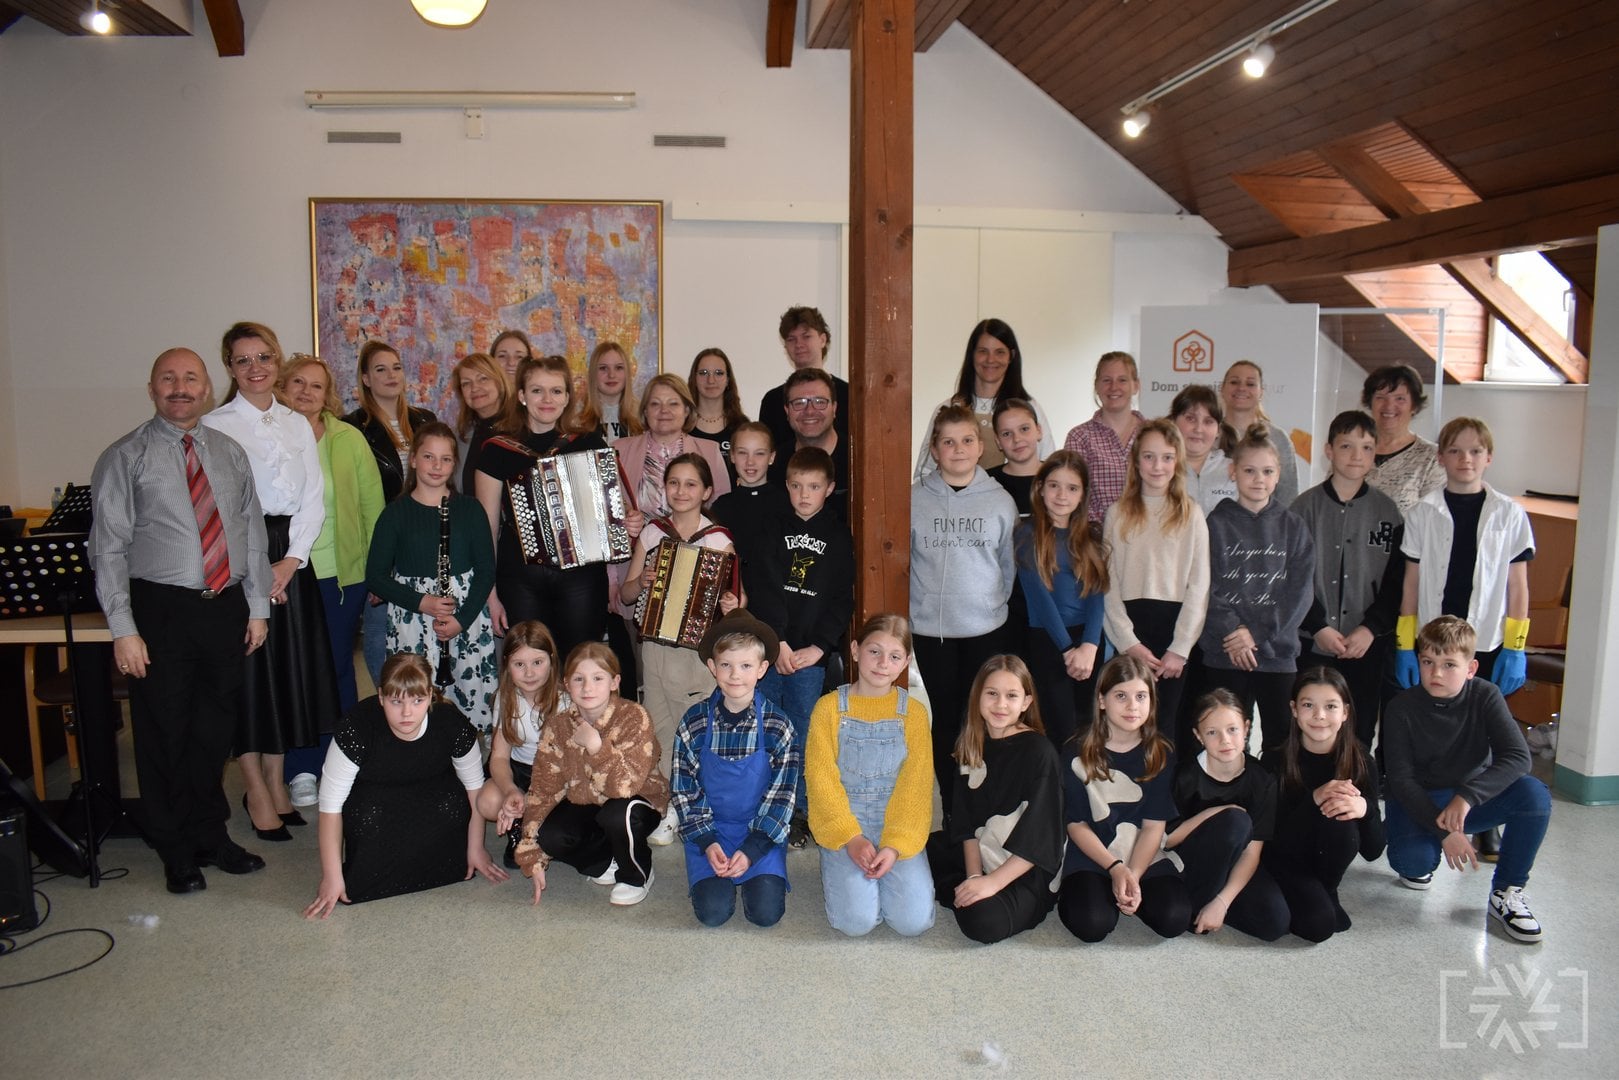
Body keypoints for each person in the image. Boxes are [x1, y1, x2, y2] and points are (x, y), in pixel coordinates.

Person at [90, 348, 272, 894]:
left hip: (224, 607)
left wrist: (257, 607)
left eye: (190, 378)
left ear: (206, 388)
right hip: (161, 611)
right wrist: (124, 629)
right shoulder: (124, 456)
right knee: (164, 732)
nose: (180, 387)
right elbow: (108, 549)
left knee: (213, 733)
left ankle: (210, 835)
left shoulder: (229, 453)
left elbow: (252, 533)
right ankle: (174, 847)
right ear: (151, 389)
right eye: (168, 379)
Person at [204, 321, 339, 841]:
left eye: (263, 357)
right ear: (230, 367)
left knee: (286, 670)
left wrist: (292, 561)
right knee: (251, 673)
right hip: (241, 555)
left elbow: (312, 498)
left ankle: (278, 781)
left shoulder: (296, 422)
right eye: (243, 360)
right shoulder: (215, 425)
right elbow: (219, 509)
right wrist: (259, 569)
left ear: (276, 359)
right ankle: (254, 786)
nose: (255, 368)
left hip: (290, 557)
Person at [1381, 617, 1550, 942]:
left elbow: (1518, 757)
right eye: (1427, 662)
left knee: (1533, 795)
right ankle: (1419, 839)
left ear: (1471, 668)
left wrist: (1468, 796)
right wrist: (1445, 832)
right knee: (1415, 864)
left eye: (1449, 665)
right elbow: (1401, 780)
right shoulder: (1400, 707)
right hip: (1420, 798)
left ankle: (1507, 891)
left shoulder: (1486, 695)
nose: (1436, 673)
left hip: (1467, 800)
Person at [302, 654, 507, 917]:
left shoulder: (450, 722)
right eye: (396, 701)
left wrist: (476, 848)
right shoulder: (357, 727)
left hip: (433, 796)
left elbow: (474, 787)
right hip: (375, 800)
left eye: (417, 701)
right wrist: (332, 876)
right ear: (381, 697)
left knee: (453, 805)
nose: (407, 713)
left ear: (430, 696)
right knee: (366, 816)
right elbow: (330, 806)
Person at [475, 355, 633, 662]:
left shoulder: (589, 444)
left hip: (582, 578)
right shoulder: (496, 450)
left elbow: (614, 517)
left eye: (556, 391)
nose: (547, 399)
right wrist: (490, 594)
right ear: (522, 395)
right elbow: (487, 529)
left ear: (567, 398)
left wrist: (628, 521)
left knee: (580, 662)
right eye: (537, 390)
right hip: (519, 576)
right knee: (530, 665)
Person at [277, 355, 384, 807]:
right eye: (297, 383)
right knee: (294, 670)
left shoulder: (348, 439)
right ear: (281, 388)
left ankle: (341, 763)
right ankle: (301, 767)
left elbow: (373, 508)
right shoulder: (273, 437)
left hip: (343, 575)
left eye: (316, 386)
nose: (306, 392)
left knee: (338, 668)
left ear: (328, 395)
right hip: (286, 574)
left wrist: (377, 571)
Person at [618, 453, 735, 845]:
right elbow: (626, 594)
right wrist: (642, 583)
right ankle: (668, 806)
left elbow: (736, 599)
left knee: (695, 727)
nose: (681, 491)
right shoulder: (653, 533)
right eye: (673, 483)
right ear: (664, 488)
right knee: (660, 726)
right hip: (653, 644)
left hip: (695, 651)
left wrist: (732, 604)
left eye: (690, 484)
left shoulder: (718, 540)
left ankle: (697, 806)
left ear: (706, 491)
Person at [910, 405, 1018, 819]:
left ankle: (985, 806)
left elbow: (1008, 566)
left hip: (986, 630)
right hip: (933, 632)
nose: (958, 449)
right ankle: (954, 809)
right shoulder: (915, 499)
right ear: (935, 449)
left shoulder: (1000, 501)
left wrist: (990, 605)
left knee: (986, 719)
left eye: (967, 440)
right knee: (946, 721)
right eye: (948, 442)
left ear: (981, 446)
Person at [744, 447, 853, 848]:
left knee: (803, 733)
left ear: (829, 488)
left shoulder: (839, 536)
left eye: (813, 486)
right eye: (796, 486)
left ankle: (801, 810)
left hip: (809, 657)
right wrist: (778, 641)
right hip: (771, 652)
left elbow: (841, 598)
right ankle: (766, 805)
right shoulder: (770, 528)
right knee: (766, 729)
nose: (804, 495)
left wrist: (821, 647)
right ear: (786, 485)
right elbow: (762, 587)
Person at [805, 614, 935, 938]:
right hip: (845, 827)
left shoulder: (915, 714)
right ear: (854, 650)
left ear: (906, 662)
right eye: (874, 651)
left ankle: (890, 872)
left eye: (894, 656)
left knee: (913, 923)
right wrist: (850, 837)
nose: (882, 664)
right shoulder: (828, 709)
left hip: (897, 824)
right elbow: (821, 781)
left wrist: (895, 846)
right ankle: (842, 868)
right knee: (855, 923)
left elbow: (916, 787)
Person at [514, 643, 670, 908]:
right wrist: (531, 850)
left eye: (598, 678)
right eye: (579, 679)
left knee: (617, 814)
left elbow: (624, 787)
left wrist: (596, 747)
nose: (588, 688)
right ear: (566, 684)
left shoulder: (634, 716)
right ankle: (605, 861)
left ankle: (636, 875)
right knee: (551, 835)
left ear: (614, 682)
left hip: (636, 802)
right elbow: (543, 788)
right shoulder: (558, 726)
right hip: (589, 802)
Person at [365, 423, 497, 732]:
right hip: (413, 620)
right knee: (417, 696)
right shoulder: (395, 513)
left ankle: (470, 751)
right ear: (413, 459)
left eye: (445, 459)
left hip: (464, 616)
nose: (437, 466)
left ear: (454, 464)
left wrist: (461, 620)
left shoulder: (470, 509)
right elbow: (375, 576)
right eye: (428, 457)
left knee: (467, 695)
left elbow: (486, 570)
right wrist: (421, 601)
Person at [672, 611, 799, 928]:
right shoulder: (694, 721)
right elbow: (683, 788)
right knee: (713, 914)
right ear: (712, 667)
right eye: (726, 665)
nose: (735, 675)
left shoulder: (778, 725)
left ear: (762, 669)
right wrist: (707, 841)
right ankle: (712, 869)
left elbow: (783, 795)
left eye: (745, 666)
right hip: (710, 832)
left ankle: (759, 869)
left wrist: (754, 849)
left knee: (765, 915)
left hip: (760, 833)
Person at [1195, 422, 1315, 756]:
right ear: (1233, 472)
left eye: (1267, 471)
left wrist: (1256, 634)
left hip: (1276, 655)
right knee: (1227, 741)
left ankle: (1275, 792)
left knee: (1281, 742)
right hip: (1225, 654)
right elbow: (1204, 586)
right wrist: (1233, 632)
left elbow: (1300, 593)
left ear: (1278, 476)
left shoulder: (1294, 527)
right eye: (1249, 470)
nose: (1258, 479)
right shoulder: (1214, 524)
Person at [1395, 417, 1535, 698]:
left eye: (1475, 451)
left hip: (1487, 643)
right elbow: (1411, 582)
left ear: (1489, 457)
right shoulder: (1421, 513)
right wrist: (1404, 645)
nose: (1465, 459)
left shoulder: (1509, 514)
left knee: (1479, 719)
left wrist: (1515, 647)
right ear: (1440, 457)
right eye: (1454, 450)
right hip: (1432, 642)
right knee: (1432, 718)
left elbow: (1517, 585)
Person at [927, 656, 1063, 944]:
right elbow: (965, 825)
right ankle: (965, 888)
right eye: (992, 693)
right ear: (977, 696)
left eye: (1011, 696)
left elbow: (1041, 837)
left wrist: (993, 883)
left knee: (983, 923)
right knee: (923, 847)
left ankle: (961, 891)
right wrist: (975, 877)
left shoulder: (1040, 752)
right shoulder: (971, 746)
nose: (1001, 704)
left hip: (1026, 867)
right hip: (986, 851)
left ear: (1026, 702)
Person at [1290, 410, 1404, 749]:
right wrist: (1318, 626)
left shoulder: (1389, 513)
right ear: (1329, 450)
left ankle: (1356, 782)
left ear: (1375, 453)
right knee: (1309, 727)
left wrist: (1370, 628)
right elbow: (1291, 578)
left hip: (1367, 644)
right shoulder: (1302, 509)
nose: (1356, 456)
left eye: (1366, 448)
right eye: (1346, 446)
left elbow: (1396, 583)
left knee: (1359, 729)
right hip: (1311, 642)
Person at [1056, 655, 1190, 942]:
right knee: (1092, 924)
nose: (1132, 706)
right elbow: (1076, 824)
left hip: (1140, 852)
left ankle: (1127, 893)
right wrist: (1115, 868)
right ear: (1102, 700)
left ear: (1151, 701)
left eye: (1141, 696)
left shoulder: (1160, 753)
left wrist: (1134, 876)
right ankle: (1102, 891)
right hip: (1092, 854)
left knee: (1175, 918)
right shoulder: (1076, 751)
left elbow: (1153, 827)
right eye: (1121, 696)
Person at [1100, 419, 1209, 744]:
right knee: (1126, 723)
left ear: (1177, 461)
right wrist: (1128, 642)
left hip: (1175, 634)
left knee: (1165, 727)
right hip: (1131, 632)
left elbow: (1199, 587)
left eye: (1166, 457)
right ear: (1136, 461)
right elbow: (1108, 584)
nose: (1157, 466)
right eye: (1148, 457)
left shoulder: (1192, 514)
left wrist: (1180, 648)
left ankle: (1163, 779)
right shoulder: (1117, 513)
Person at [1263, 667, 1385, 942]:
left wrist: (1364, 809)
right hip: (1284, 861)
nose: (1319, 715)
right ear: (1294, 709)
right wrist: (1314, 799)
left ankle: (1328, 888)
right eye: (1308, 705)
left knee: (1341, 812)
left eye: (1330, 706)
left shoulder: (1361, 762)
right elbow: (1273, 843)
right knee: (1316, 927)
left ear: (1345, 712)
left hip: (1327, 866)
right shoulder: (1274, 760)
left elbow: (1373, 851)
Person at [343, 339, 439, 685]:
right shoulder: (353, 427)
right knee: (380, 629)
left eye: (396, 367)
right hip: (384, 543)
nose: (390, 375)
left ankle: (424, 702)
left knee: (426, 628)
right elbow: (356, 498)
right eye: (380, 369)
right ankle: (386, 699)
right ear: (365, 379)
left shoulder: (424, 419)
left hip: (426, 540)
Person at [1165, 690, 1289, 941]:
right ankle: (1196, 902)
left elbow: (1251, 853)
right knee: (1235, 820)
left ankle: (1211, 905)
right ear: (1198, 736)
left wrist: (1223, 901)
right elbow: (1166, 839)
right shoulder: (1184, 775)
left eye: (1232, 730)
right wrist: (1215, 812)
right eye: (1212, 732)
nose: (1225, 740)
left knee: (1275, 924)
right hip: (1191, 865)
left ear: (1246, 728)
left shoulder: (1262, 779)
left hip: (1236, 864)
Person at [1015, 451, 1108, 751]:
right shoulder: (1026, 534)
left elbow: (1098, 593)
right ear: (1040, 488)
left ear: (1083, 494)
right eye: (1054, 485)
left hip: (1088, 644)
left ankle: (1086, 781)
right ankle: (1060, 781)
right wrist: (1068, 650)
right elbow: (1039, 599)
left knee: (1088, 726)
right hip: (1050, 642)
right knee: (1060, 729)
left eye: (1072, 488)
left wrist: (1090, 645)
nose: (1062, 495)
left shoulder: (1092, 535)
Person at [914, 319, 1056, 480]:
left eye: (999, 352)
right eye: (983, 351)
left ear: (1011, 356)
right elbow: (923, 473)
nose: (990, 359)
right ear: (972, 355)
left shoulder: (1029, 408)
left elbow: (1048, 466)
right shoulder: (948, 408)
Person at [477, 621, 565, 869]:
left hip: (556, 775)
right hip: (520, 770)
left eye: (537, 662)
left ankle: (535, 826)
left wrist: (534, 798)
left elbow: (568, 767)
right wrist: (510, 791)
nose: (529, 673)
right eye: (519, 664)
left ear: (551, 660)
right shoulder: (505, 698)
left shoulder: (565, 701)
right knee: (488, 801)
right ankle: (519, 824)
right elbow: (499, 757)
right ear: (507, 664)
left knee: (560, 823)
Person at [1062, 351, 1146, 524]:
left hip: (1149, 533)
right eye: (1107, 380)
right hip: (1095, 535)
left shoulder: (1154, 435)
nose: (1114, 387)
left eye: (1122, 380)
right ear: (1096, 386)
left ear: (1136, 385)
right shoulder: (1079, 437)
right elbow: (1073, 494)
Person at [759, 305, 849, 457]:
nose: (799, 344)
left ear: (822, 340)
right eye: (791, 339)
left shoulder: (849, 395)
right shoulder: (772, 400)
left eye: (806, 336)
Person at [765, 367, 849, 519]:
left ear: (834, 408)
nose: (809, 411)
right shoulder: (773, 466)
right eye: (799, 403)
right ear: (787, 411)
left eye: (819, 402)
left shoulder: (858, 462)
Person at [1362, 363, 1444, 514]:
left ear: (1414, 406)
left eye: (1399, 399)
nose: (1389, 406)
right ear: (1370, 403)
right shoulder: (1351, 449)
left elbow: (1434, 518)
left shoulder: (1432, 458)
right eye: (1380, 398)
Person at [1219, 360, 1300, 507]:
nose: (1241, 388)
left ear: (1261, 392)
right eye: (1234, 382)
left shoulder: (1278, 438)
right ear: (1222, 389)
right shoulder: (1207, 435)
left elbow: (1288, 496)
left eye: (1250, 384)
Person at [451, 351, 513, 496]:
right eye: (466, 383)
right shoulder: (459, 437)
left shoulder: (522, 429)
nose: (474, 388)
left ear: (499, 382)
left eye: (483, 379)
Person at [1169, 384, 1236, 516]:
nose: (1198, 429)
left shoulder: (1235, 471)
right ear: (1173, 422)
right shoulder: (1160, 469)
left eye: (1208, 421)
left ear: (1218, 430)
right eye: (1190, 419)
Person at [688, 346, 748, 486]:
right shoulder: (683, 426)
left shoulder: (741, 426)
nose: (711, 380)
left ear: (728, 380)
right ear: (694, 379)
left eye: (719, 373)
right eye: (703, 373)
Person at [571, 341, 643, 445]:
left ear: (627, 373)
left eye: (618, 368)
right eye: (603, 368)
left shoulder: (643, 417)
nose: (611, 375)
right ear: (593, 374)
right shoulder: (576, 419)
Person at [985, 398, 1044, 517]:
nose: (1017, 439)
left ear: (1038, 431)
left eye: (1024, 429)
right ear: (998, 441)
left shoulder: (1058, 478)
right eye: (1006, 434)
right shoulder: (985, 483)